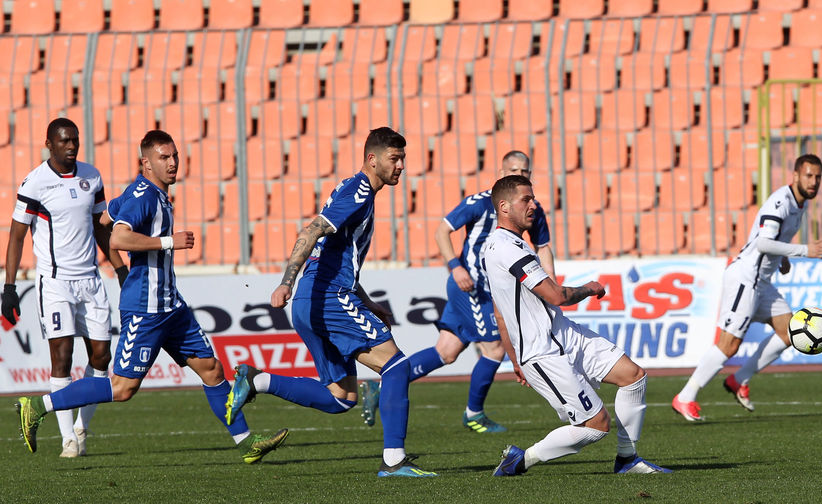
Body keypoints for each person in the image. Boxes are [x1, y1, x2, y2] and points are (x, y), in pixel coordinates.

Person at [14, 130, 287, 464]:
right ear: (146, 163)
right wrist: (168, 242)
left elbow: (105, 217)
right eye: (163, 157)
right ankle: (38, 406)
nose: (172, 163)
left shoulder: (146, 192)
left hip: (172, 306)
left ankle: (247, 444)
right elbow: (118, 239)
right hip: (146, 308)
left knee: (213, 370)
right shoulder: (145, 198)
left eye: (174, 156)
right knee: (123, 388)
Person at [224, 127, 436, 478]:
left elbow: (334, 254)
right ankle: (394, 461)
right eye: (394, 159)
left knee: (342, 398)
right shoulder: (359, 191)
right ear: (373, 159)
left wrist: (367, 300)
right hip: (327, 297)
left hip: (314, 300)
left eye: (403, 159)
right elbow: (310, 232)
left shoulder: (355, 192)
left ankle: (256, 380)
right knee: (396, 367)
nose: (401, 166)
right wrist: (284, 283)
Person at [485, 174, 671, 476]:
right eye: (526, 200)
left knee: (633, 377)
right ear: (504, 206)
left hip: (564, 334)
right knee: (597, 426)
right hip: (543, 350)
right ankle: (521, 459)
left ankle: (627, 460)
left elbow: (501, 312)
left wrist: (511, 356)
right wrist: (590, 288)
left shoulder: (512, 244)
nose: (533, 205)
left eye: (533, 198)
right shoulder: (506, 248)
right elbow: (557, 295)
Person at [359, 151, 556, 433]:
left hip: (489, 289)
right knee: (495, 347)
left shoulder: (531, 208)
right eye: (515, 170)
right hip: (472, 286)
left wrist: (551, 285)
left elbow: (544, 247)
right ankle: (474, 414)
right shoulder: (479, 203)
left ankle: (384, 385)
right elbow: (442, 230)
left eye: (525, 172)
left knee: (447, 351)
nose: (520, 176)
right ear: (500, 172)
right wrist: (455, 267)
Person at [1, 118, 127, 458]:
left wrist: (119, 267)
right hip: (55, 282)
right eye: (65, 141)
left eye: (75, 140)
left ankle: (80, 427)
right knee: (63, 357)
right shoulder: (35, 183)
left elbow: (102, 228)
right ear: (50, 144)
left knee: (102, 357)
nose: (71, 146)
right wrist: (8, 286)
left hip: (91, 280)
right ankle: (68, 441)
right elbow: (16, 236)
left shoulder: (92, 176)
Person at [672, 154, 822, 421]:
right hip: (745, 278)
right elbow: (763, 243)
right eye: (808, 176)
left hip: (762, 281)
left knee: (790, 331)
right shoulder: (781, 202)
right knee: (729, 344)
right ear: (795, 176)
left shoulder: (799, 204)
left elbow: (772, 243)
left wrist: (781, 258)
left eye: (817, 177)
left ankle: (738, 380)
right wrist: (804, 250)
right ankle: (685, 397)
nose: (814, 182)